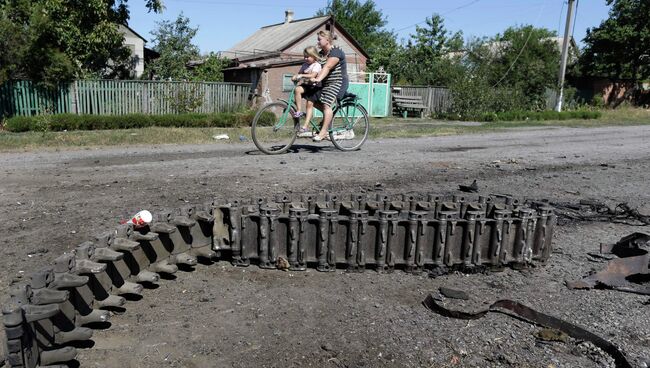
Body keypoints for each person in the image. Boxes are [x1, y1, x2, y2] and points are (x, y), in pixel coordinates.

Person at [305, 30, 349, 142]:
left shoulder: (336, 52)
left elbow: (327, 67)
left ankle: (323, 132)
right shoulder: (320, 54)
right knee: (311, 99)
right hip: (325, 83)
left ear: (327, 40)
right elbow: (314, 66)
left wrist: (318, 79)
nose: (318, 41)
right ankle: (327, 119)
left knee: (326, 105)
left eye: (319, 39)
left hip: (338, 82)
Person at [291, 46, 322, 135]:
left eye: (308, 56)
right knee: (297, 89)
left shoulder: (317, 65)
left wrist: (301, 76)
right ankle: (299, 111)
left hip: (315, 88)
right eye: (304, 56)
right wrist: (295, 76)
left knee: (309, 104)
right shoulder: (304, 65)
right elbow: (299, 74)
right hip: (307, 86)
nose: (305, 58)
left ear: (314, 56)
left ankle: (305, 126)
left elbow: (313, 75)